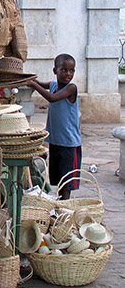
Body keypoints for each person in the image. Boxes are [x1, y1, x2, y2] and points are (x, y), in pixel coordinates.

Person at [26, 53, 81, 200]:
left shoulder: (71, 88)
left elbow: (52, 98)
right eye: (64, 70)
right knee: (58, 177)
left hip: (69, 143)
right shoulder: (53, 85)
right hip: (56, 141)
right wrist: (27, 80)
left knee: (67, 181)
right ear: (55, 71)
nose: (68, 74)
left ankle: (64, 206)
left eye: (71, 70)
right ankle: (59, 204)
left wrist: (34, 85)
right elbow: (40, 83)